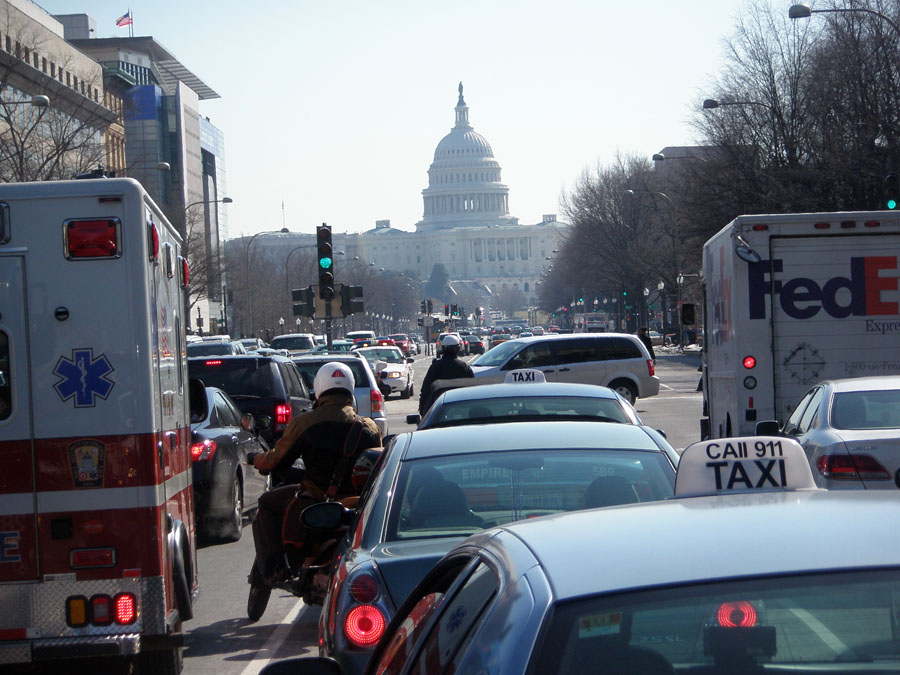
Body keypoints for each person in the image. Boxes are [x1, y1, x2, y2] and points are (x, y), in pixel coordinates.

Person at [250, 362, 382, 584]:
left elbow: (276, 460)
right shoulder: (370, 427)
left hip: (316, 500)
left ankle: (276, 568)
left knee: (266, 502)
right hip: (358, 504)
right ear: (349, 387)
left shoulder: (304, 422)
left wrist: (256, 459)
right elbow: (378, 469)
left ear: (319, 387)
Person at [418, 333, 474, 415]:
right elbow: (472, 389)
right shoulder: (464, 367)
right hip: (461, 407)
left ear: (443, 348)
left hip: (439, 409)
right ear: (458, 348)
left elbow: (425, 389)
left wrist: (422, 407)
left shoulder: (435, 366)